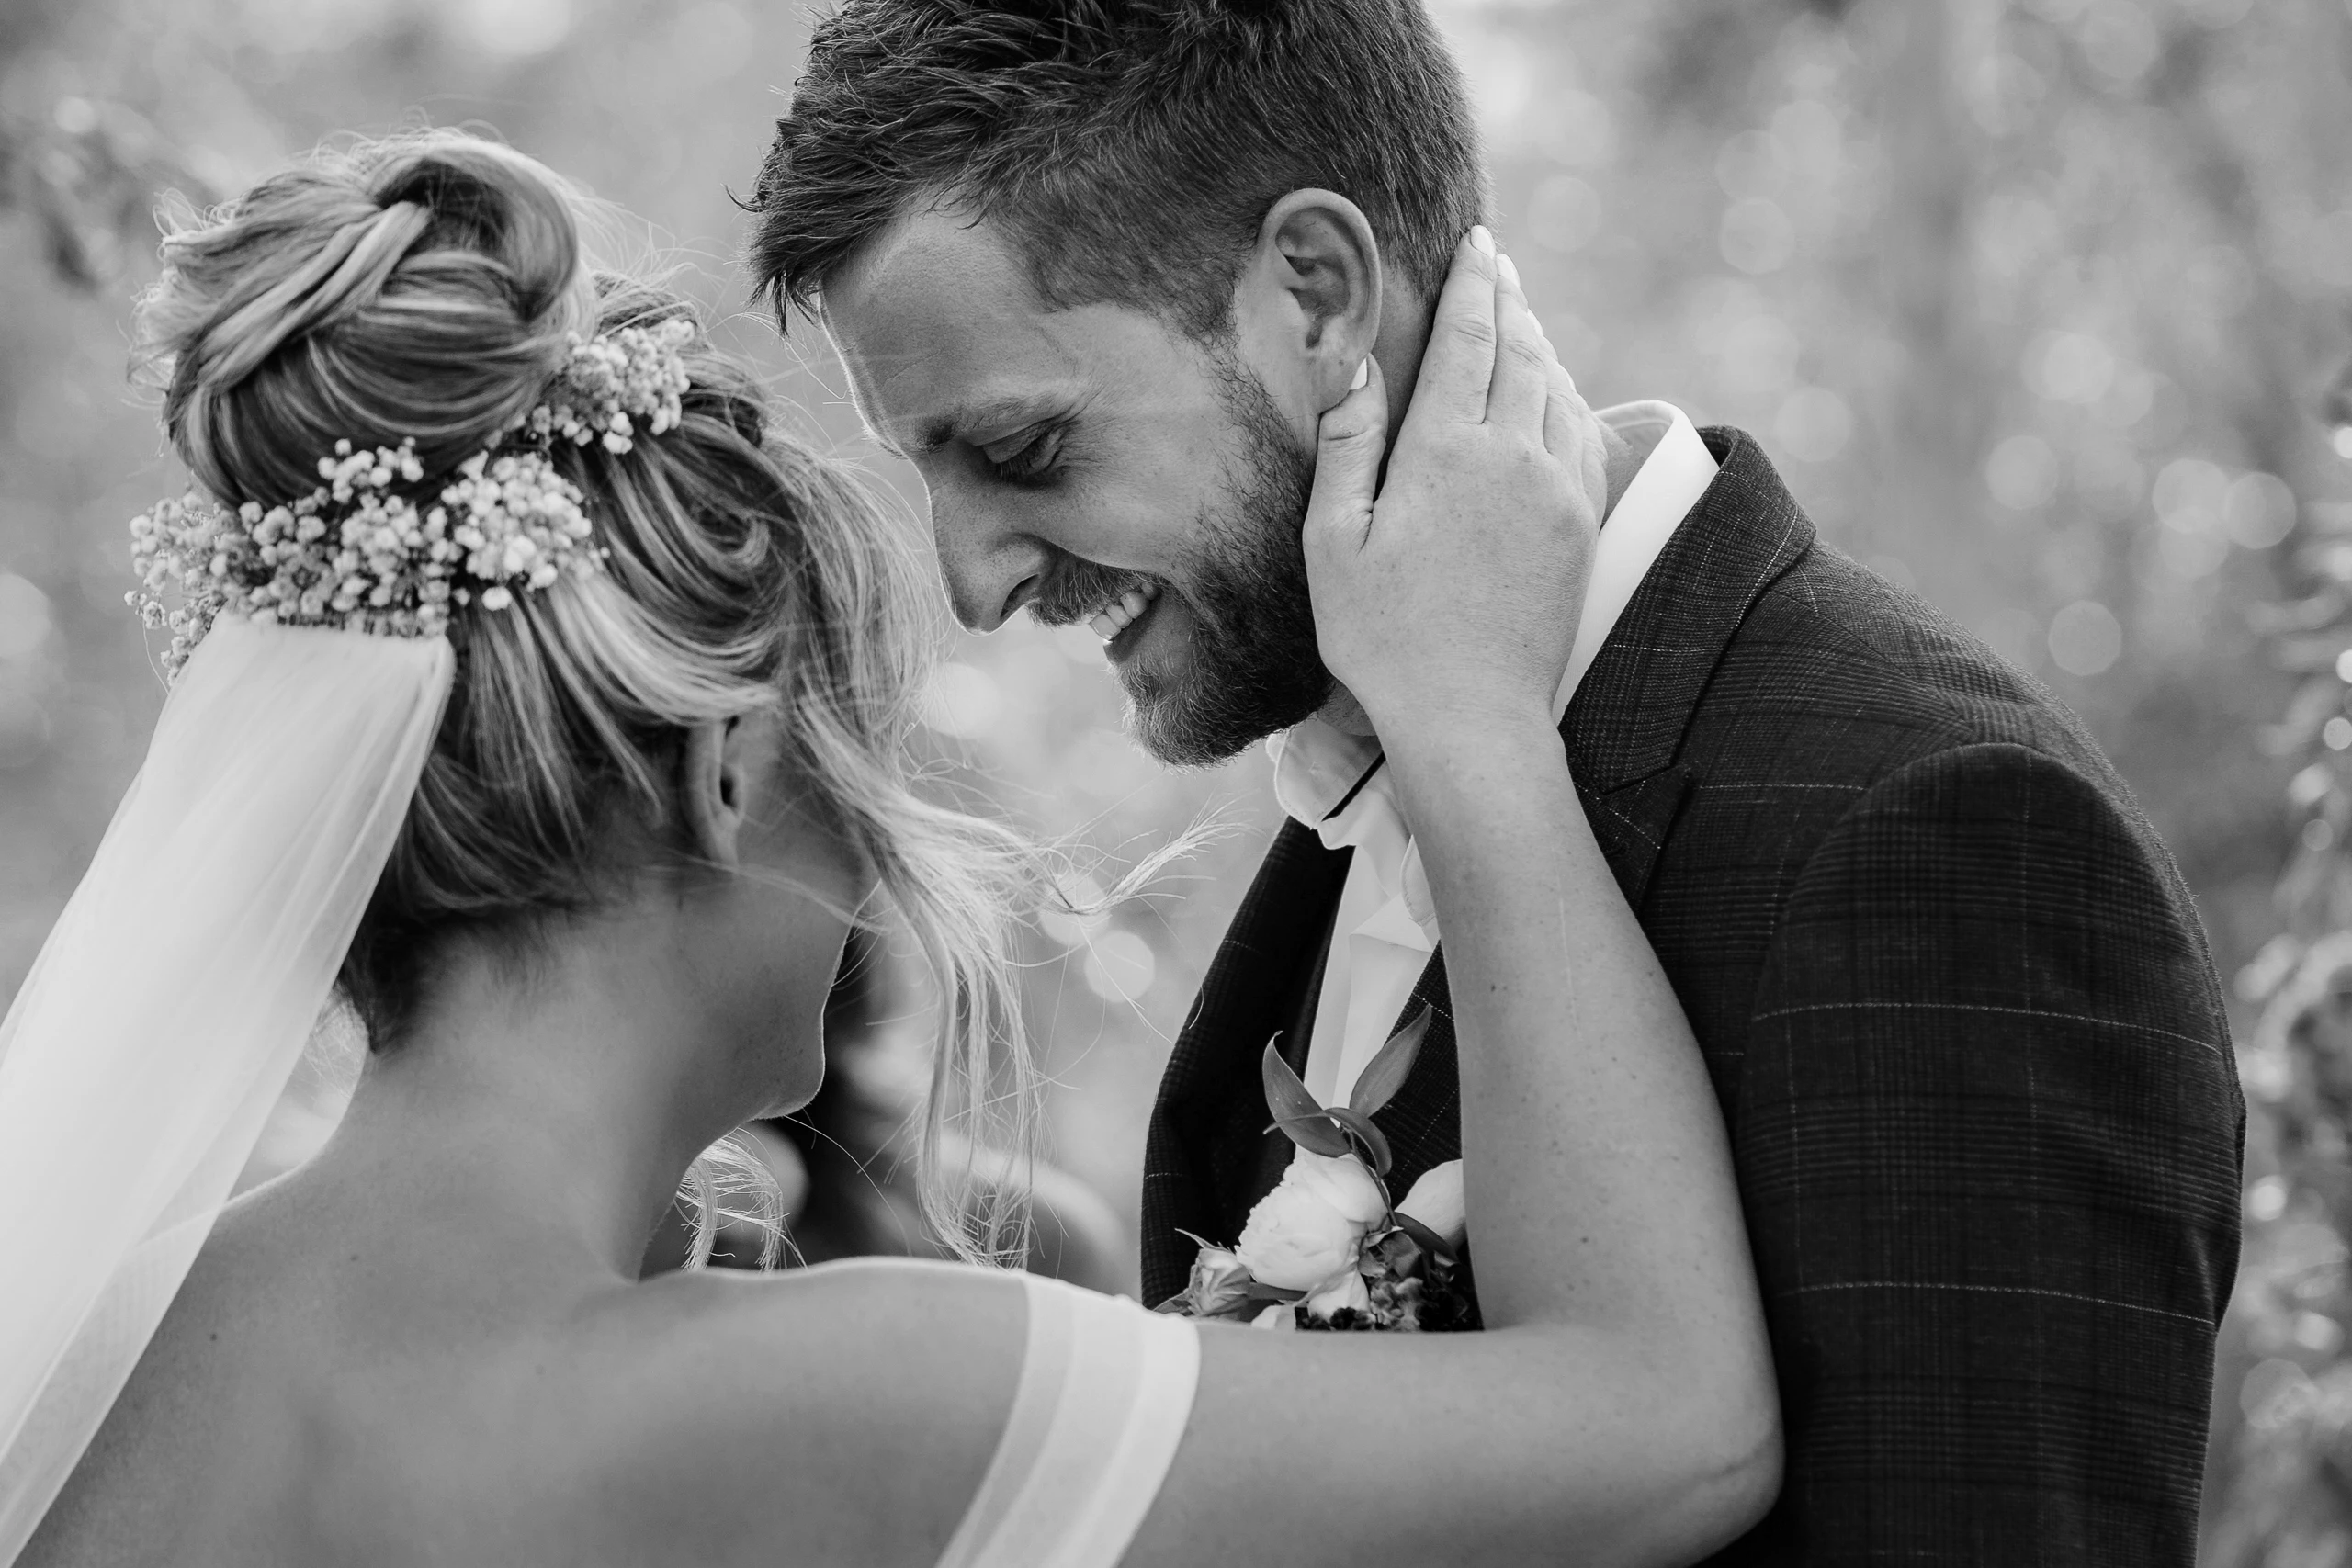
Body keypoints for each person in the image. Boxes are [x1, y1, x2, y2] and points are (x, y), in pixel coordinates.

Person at [0, 131, 1779, 1566]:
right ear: (724, 768)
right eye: (852, 742)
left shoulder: (84, 1347)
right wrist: (1472, 720)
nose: (871, 860)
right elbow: (1668, 1427)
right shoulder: (829, 1397)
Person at [745, 0, 2247, 1559]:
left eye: (1025, 449)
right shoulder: (1359, 811)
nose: (973, 585)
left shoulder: (1934, 836)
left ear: (1314, 293)